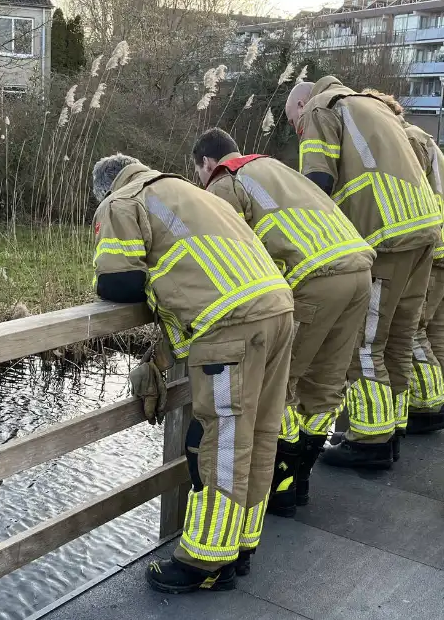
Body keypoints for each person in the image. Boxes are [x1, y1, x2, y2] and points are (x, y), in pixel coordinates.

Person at [90, 154, 295, 592]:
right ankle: (241, 545)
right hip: (277, 312)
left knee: (219, 443)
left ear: (103, 189)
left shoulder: (121, 202)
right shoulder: (187, 191)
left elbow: (117, 282)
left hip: (229, 328)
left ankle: (206, 561)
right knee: (258, 433)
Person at [191, 128, 375, 516]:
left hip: (315, 280)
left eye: (199, 175)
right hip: (359, 271)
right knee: (326, 385)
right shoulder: (274, 167)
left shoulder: (227, 182)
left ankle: (284, 485)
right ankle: (299, 482)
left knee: (283, 384)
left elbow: (225, 255)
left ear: (208, 164)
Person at [286, 77, 442, 470]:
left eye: (294, 124)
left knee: (363, 343)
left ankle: (370, 440)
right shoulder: (373, 107)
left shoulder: (322, 109)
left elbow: (315, 185)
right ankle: (392, 427)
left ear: (302, 105)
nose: (298, 130)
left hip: (383, 234)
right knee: (399, 339)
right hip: (423, 229)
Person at [367, 91, 444, 434]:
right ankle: (431, 401)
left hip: (427, 249)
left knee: (412, 332)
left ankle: (425, 407)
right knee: (433, 332)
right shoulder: (423, 138)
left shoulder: (406, 140)